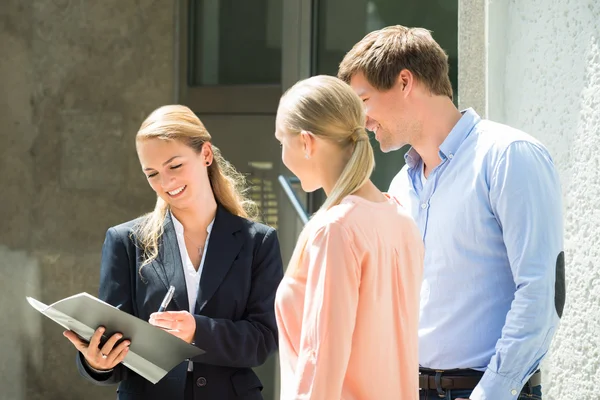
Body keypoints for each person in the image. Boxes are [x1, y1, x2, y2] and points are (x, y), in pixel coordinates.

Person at [338, 25, 565, 400]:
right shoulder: (399, 187)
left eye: (362, 102)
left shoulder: (508, 156)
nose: (361, 121)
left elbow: (541, 293)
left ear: (405, 81)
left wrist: (491, 394)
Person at [63, 105, 284, 400]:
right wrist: (97, 363)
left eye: (175, 166)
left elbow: (264, 339)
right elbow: (114, 346)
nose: (166, 183)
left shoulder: (257, 242)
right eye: (152, 173)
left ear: (206, 154)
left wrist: (197, 331)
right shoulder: (126, 241)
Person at [274, 75, 424, 400]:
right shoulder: (400, 218)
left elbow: (323, 359)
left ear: (306, 142)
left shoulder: (337, 228)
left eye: (281, 142)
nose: (282, 156)